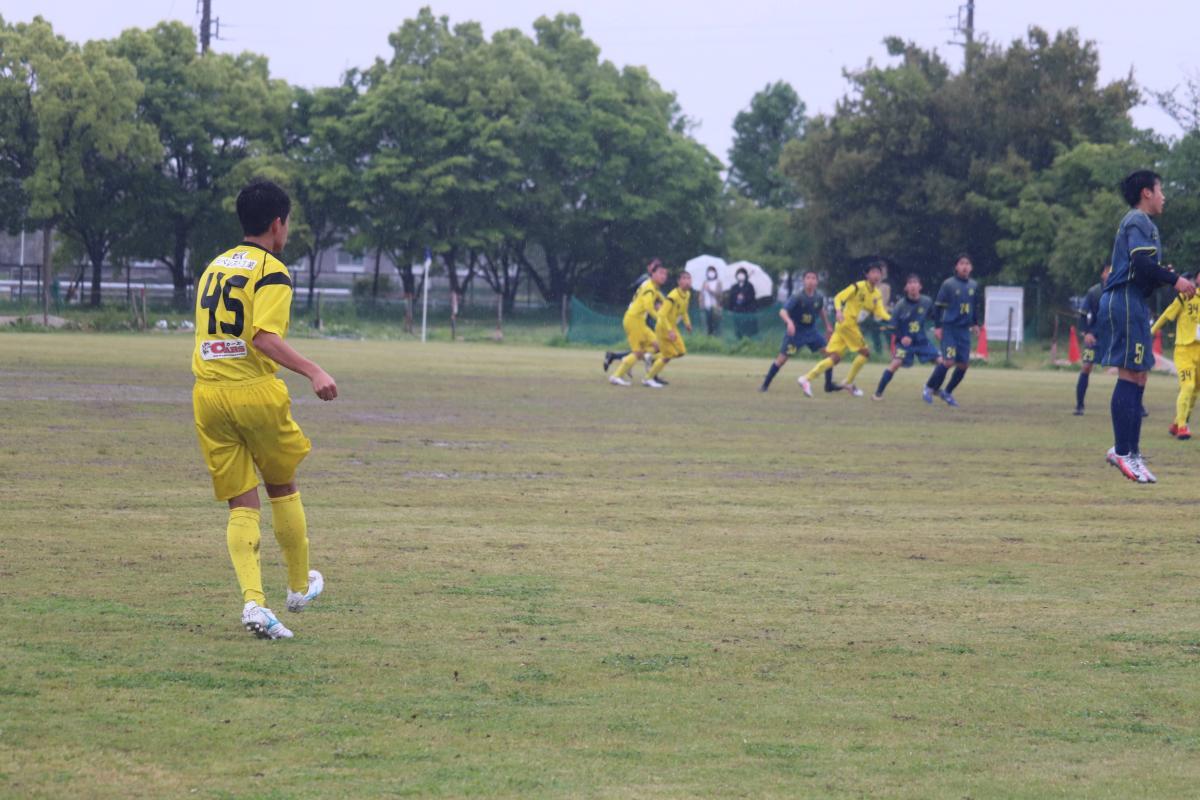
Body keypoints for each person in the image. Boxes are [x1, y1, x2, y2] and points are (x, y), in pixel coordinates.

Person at [191, 179, 336, 640]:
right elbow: (263, 338)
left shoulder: (214, 266)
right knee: (281, 485)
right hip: (253, 392)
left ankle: (254, 603)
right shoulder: (272, 270)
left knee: (241, 503)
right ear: (278, 224)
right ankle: (298, 588)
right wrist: (313, 370)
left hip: (208, 394)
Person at [1099, 169, 1195, 483]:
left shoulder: (1146, 225)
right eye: (1160, 190)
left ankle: (1133, 452)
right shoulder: (1138, 220)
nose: (1164, 196)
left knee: (1139, 375)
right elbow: (1140, 264)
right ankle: (1122, 452)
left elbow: (1143, 271)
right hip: (1125, 300)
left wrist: (1161, 276)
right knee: (1129, 373)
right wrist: (1174, 279)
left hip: (1135, 301)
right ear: (1146, 193)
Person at [797, 261, 890, 398]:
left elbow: (880, 312)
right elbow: (838, 297)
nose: (876, 275)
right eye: (873, 272)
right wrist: (839, 311)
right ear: (867, 274)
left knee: (834, 358)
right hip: (847, 324)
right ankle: (848, 382)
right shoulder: (858, 286)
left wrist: (893, 319)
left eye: (878, 273)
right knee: (865, 353)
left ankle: (806, 378)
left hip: (844, 327)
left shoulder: (877, 294)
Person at [759, 269, 833, 392]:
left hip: (811, 331)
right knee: (781, 360)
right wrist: (789, 322)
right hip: (796, 333)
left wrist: (828, 326)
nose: (810, 281)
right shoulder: (798, 297)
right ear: (804, 281)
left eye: (813, 278)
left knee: (829, 355)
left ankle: (828, 385)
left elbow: (821, 310)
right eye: (808, 278)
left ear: (817, 281)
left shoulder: (819, 297)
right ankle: (765, 385)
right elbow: (782, 311)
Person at [923, 254, 980, 408]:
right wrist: (938, 327)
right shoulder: (948, 284)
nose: (965, 266)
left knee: (963, 365)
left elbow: (975, 306)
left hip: (964, 330)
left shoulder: (974, 285)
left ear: (971, 267)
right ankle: (929, 387)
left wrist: (975, 324)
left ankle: (947, 392)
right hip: (949, 328)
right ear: (956, 267)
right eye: (962, 263)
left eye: (967, 263)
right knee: (948, 361)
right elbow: (938, 307)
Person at [1151, 272, 1200, 440]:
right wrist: (1151, 331)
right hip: (1184, 350)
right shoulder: (1185, 296)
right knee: (1188, 386)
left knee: (1195, 391)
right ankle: (1183, 427)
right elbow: (1167, 314)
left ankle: (1177, 422)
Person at [873, 274, 939, 400]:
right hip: (904, 344)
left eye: (915, 283)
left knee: (941, 362)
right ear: (906, 288)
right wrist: (902, 337)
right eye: (910, 283)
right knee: (895, 363)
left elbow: (935, 317)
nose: (913, 285)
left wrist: (939, 327)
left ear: (920, 286)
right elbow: (892, 326)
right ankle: (877, 394)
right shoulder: (900, 305)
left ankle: (931, 387)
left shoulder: (927, 301)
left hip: (921, 341)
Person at [610, 260, 668, 387]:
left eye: (665, 274)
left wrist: (668, 304)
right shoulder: (650, 288)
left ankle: (635, 359)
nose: (663, 276)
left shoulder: (651, 285)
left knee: (658, 345)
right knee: (638, 352)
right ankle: (616, 376)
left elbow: (660, 297)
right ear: (652, 274)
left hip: (639, 322)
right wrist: (660, 319)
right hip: (634, 321)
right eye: (660, 273)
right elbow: (648, 307)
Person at [1074, 264, 1111, 416]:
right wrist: (1086, 333)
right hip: (1096, 337)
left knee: (1130, 371)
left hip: (1116, 337)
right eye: (1108, 271)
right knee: (1086, 367)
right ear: (1102, 274)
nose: (1111, 273)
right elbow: (1082, 315)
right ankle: (1079, 405)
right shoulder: (1094, 292)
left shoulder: (1122, 290)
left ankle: (1138, 406)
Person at [647, 270, 693, 386]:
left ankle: (652, 358)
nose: (687, 281)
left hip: (672, 328)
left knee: (681, 352)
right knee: (668, 355)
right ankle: (648, 378)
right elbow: (662, 314)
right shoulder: (673, 295)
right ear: (679, 282)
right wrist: (669, 330)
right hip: (663, 327)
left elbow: (684, 311)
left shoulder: (687, 294)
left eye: (689, 278)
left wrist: (687, 323)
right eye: (684, 278)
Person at [728, 267, 758, 339]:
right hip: (737, 311)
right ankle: (739, 340)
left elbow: (752, 297)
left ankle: (747, 340)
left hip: (747, 311)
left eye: (742, 274)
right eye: (739, 274)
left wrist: (744, 298)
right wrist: (736, 299)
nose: (741, 275)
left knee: (747, 328)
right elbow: (731, 299)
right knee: (738, 328)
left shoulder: (749, 286)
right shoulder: (734, 287)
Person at [700, 265, 722, 335]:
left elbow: (719, 295)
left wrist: (710, 290)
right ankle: (709, 337)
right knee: (707, 324)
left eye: (712, 271)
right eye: (709, 271)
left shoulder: (718, 282)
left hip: (715, 307)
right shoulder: (705, 282)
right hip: (706, 306)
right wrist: (701, 304)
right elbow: (702, 294)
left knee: (715, 324)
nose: (711, 273)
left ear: (715, 273)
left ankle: (716, 337)